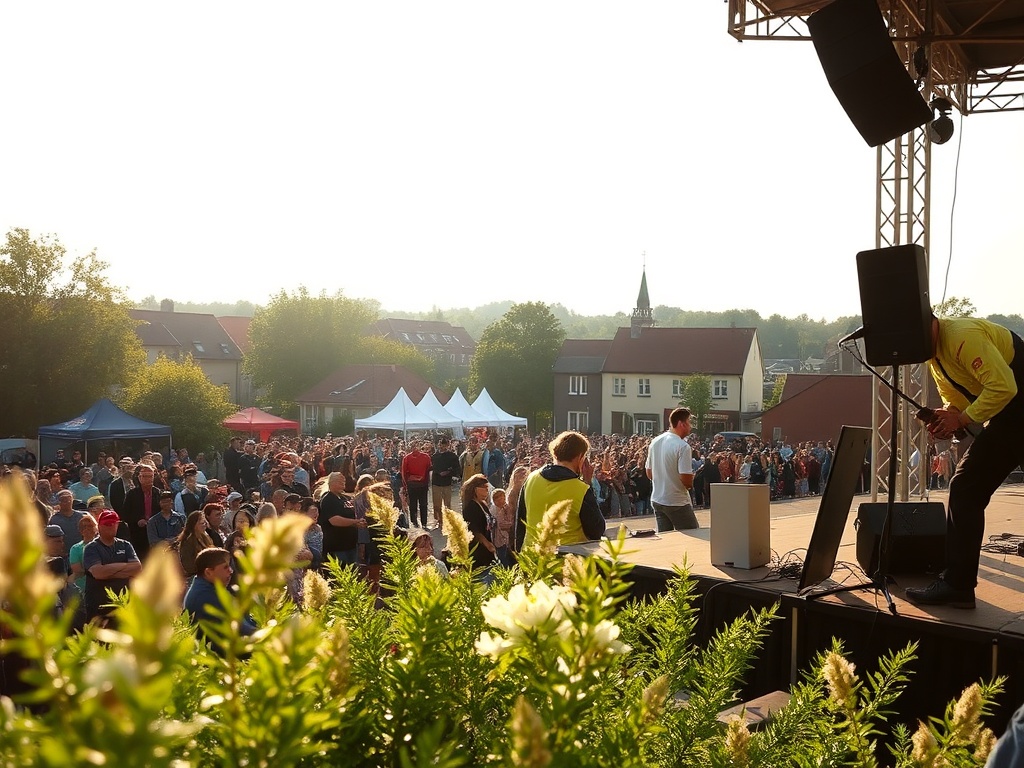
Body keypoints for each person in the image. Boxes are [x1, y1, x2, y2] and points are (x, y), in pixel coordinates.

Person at [907, 314, 1024, 609]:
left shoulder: (961, 335)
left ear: (927, 325)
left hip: (1015, 407)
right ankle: (957, 585)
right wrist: (948, 417)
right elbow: (956, 400)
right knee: (965, 488)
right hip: (1010, 417)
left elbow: (1003, 387)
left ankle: (957, 585)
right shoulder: (934, 358)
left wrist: (960, 419)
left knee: (966, 488)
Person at [515, 431, 605, 551]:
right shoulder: (580, 489)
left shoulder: (531, 478)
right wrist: (588, 483)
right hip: (567, 557)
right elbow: (597, 530)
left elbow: (520, 523)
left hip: (532, 555)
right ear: (580, 457)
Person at [183, 547, 257, 655]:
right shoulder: (205, 596)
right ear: (208, 572)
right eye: (225, 567)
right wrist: (269, 633)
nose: (231, 571)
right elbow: (239, 628)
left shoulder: (210, 588)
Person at [82, 510, 142, 626]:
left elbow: (137, 569)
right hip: (99, 605)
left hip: (123, 605)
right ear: (99, 526)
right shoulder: (91, 548)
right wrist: (125, 566)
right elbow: (99, 573)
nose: (111, 527)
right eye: (107, 524)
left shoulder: (125, 545)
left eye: (114, 523)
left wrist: (109, 571)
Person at [645, 408, 698, 532]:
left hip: (657, 499)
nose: (691, 427)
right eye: (689, 422)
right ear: (681, 423)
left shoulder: (655, 441)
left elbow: (649, 473)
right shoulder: (683, 446)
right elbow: (686, 479)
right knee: (693, 536)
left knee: (666, 539)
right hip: (677, 501)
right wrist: (690, 481)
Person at [460, 474, 498, 578]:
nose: (487, 490)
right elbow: (474, 530)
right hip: (478, 549)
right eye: (484, 488)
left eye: (487, 488)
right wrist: (487, 544)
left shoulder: (483, 504)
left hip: (488, 546)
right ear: (475, 489)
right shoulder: (470, 507)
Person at [429, 437, 460, 528]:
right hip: (436, 482)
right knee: (437, 504)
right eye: (441, 444)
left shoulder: (452, 456)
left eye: (444, 445)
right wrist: (438, 472)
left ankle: (448, 520)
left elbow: (457, 469)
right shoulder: (435, 456)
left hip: (447, 482)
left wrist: (448, 472)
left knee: (447, 504)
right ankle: (439, 520)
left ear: (447, 445)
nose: (442, 446)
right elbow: (431, 467)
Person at [401, 440, 432, 529]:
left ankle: (416, 522)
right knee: (422, 504)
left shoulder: (407, 458)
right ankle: (422, 523)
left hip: (415, 484)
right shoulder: (425, 457)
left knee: (415, 504)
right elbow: (429, 470)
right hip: (420, 484)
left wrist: (405, 485)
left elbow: (404, 473)